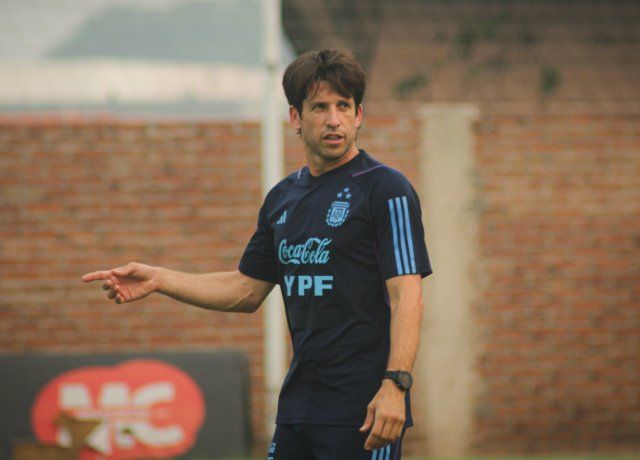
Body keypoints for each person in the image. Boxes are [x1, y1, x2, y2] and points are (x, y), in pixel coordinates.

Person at [82, 48, 432, 460]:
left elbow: (406, 295)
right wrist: (159, 279)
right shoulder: (283, 198)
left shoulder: (385, 189)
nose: (333, 119)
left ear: (359, 115)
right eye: (319, 107)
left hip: (365, 409)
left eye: (344, 106)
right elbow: (246, 289)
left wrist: (395, 385)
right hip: (299, 407)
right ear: (296, 118)